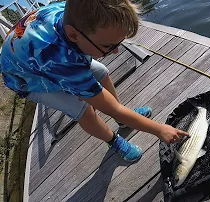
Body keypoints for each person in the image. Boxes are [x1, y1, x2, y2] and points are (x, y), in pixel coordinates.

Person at [0, 0, 189, 163]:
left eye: (118, 44)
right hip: (30, 79)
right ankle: (113, 141)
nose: (116, 52)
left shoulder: (78, 13)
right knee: (84, 111)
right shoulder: (62, 61)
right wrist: (159, 130)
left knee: (102, 72)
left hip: (38, 55)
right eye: (109, 46)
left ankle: (122, 121)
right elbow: (107, 106)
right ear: (74, 35)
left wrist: (118, 112)